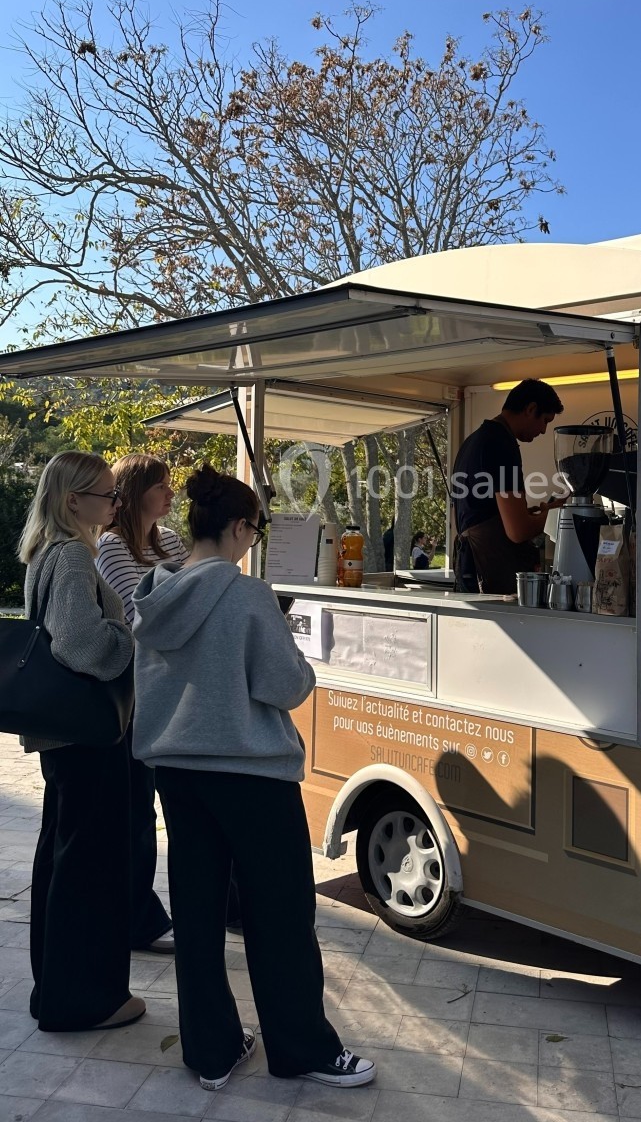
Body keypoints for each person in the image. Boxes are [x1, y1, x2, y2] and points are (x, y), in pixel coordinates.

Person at [131, 464, 376, 1092]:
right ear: (240, 527)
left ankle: (210, 1053)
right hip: (250, 773)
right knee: (281, 916)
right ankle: (302, 1049)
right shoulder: (246, 594)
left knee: (197, 909)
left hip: (176, 771)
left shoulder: (154, 594)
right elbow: (286, 685)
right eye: (253, 530)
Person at [18, 451, 144, 1032]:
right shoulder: (71, 555)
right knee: (90, 866)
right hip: (88, 734)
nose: (116, 505)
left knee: (63, 858)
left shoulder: (47, 552)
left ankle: (58, 991)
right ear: (75, 501)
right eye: (108, 496)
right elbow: (79, 644)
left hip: (61, 735)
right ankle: (86, 999)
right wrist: (126, 637)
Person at [95, 454, 188, 955]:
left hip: (170, 689)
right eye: (162, 485)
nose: (171, 495)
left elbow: (184, 603)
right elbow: (141, 621)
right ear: (136, 493)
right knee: (137, 805)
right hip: (133, 693)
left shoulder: (170, 541)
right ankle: (138, 917)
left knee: (159, 801)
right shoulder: (110, 546)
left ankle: (147, 914)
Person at [452, 378, 566, 593]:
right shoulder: (500, 445)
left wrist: (542, 511)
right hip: (488, 568)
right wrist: (559, 516)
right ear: (530, 409)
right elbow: (517, 530)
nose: (543, 430)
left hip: (470, 564)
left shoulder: (475, 440)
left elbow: (483, 512)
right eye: (545, 421)